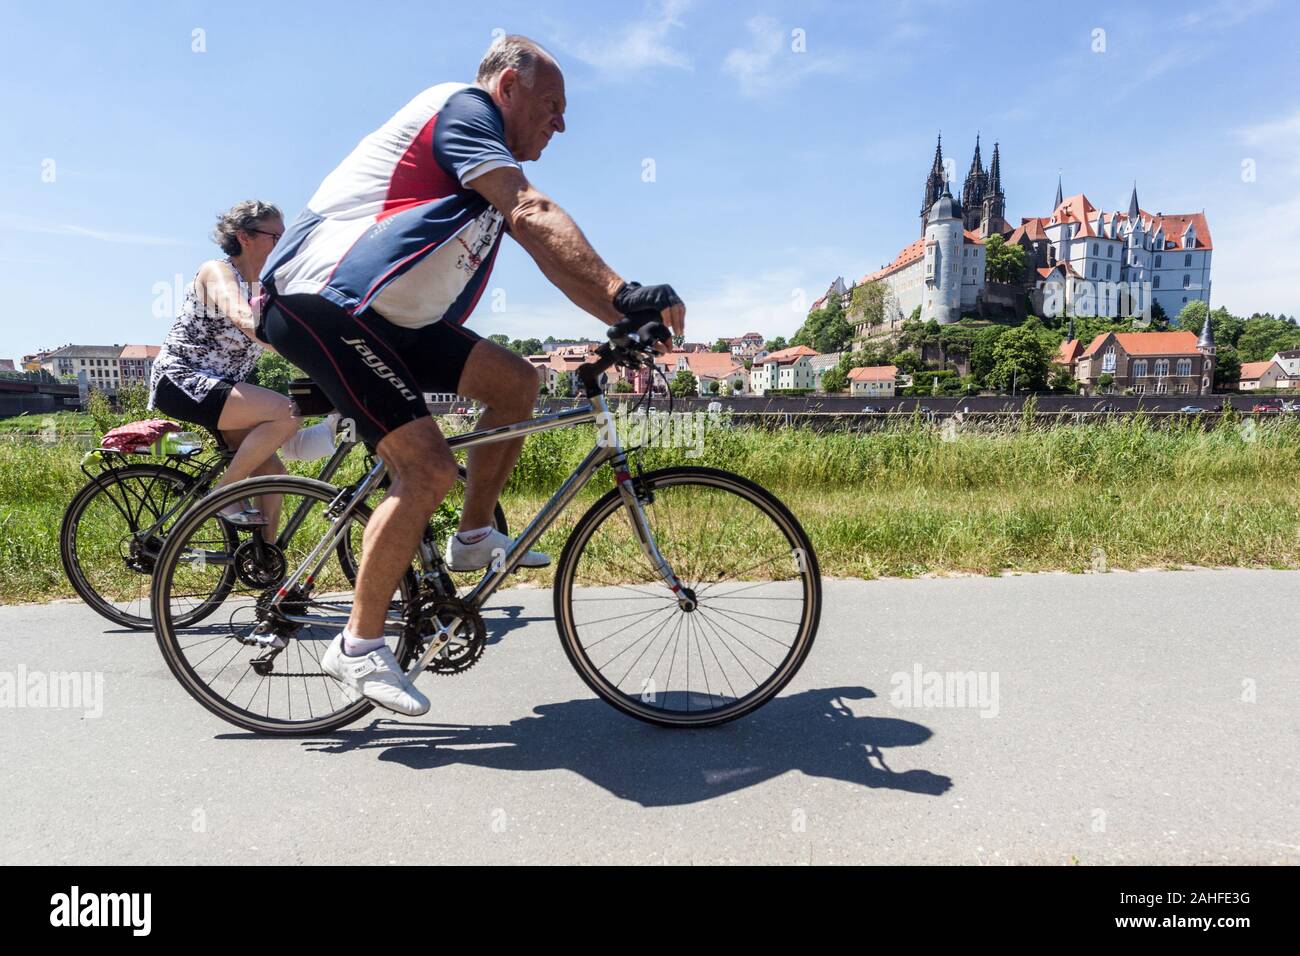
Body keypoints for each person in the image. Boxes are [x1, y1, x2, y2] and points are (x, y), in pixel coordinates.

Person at [259, 35, 685, 716]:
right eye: (552, 104)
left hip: (392, 318)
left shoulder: (487, 160)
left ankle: (473, 536)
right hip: (325, 301)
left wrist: (620, 317)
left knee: (515, 382)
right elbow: (532, 212)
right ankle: (360, 645)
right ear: (508, 87)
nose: (563, 122)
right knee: (426, 470)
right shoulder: (460, 112)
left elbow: (542, 243)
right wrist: (625, 291)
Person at [149, 201, 302, 532]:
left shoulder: (263, 287)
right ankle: (224, 492)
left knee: (272, 475)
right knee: (289, 413)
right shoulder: (218, 272)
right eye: (275, 237)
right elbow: (242, 316)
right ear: (244, 236)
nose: (282, 244)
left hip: (221, 389)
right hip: (183, 380)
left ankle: (266, 566)